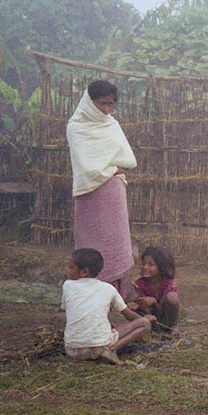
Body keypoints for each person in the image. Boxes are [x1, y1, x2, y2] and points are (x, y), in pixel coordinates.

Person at [67, 79, 137, 297]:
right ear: (90, 101)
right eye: (101, 104)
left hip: (113, 194)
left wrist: (111, 171)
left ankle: (119, 296)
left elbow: (127, 162)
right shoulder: (76, 127)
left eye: (110, 105)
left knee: (116, 244)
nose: (106, 109)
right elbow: (87, 169)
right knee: (91, 246)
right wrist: (111, 170)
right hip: (90, 196)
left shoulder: (111, 125)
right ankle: (90, 297)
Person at [61, 248, 155, 365]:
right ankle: (111, 350)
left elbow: (70, 310)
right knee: (145, 324)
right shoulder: (108, 288)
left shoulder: (67, 285)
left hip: (72, 350)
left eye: (70, 267)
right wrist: (145, 319)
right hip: (98, 348)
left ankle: (104, 349)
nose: (67, 271)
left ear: (84, 272)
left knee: (105, 327)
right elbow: (128, 314)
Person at [126, 245, 181, 335]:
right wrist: (137, 305)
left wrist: (154, 302)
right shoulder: (139, 284)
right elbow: (146, 310)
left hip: (164, 317)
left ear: (161, 267)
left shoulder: (169, 284)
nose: (145, 267)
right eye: (144, 263)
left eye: (150, 265)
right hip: (149, 318)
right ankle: (149, 328)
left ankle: (173, 326)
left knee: (172, 297)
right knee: (133, 296)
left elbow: (163, 309)